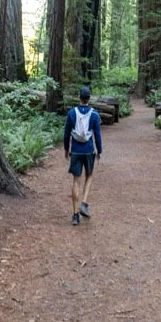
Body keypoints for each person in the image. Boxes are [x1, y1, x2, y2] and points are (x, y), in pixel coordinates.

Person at [64, 85, 102, 225]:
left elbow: (67, 133)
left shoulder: (71, 113)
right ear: (89, 98)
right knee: (89, 175)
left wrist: (66, 149)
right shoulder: (94, 114)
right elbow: (97, 134)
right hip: (88, 150)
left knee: (76, 180)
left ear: (79, 97)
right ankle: (84, 203)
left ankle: (75, 215)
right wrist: (100, 150)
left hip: (75, 150)